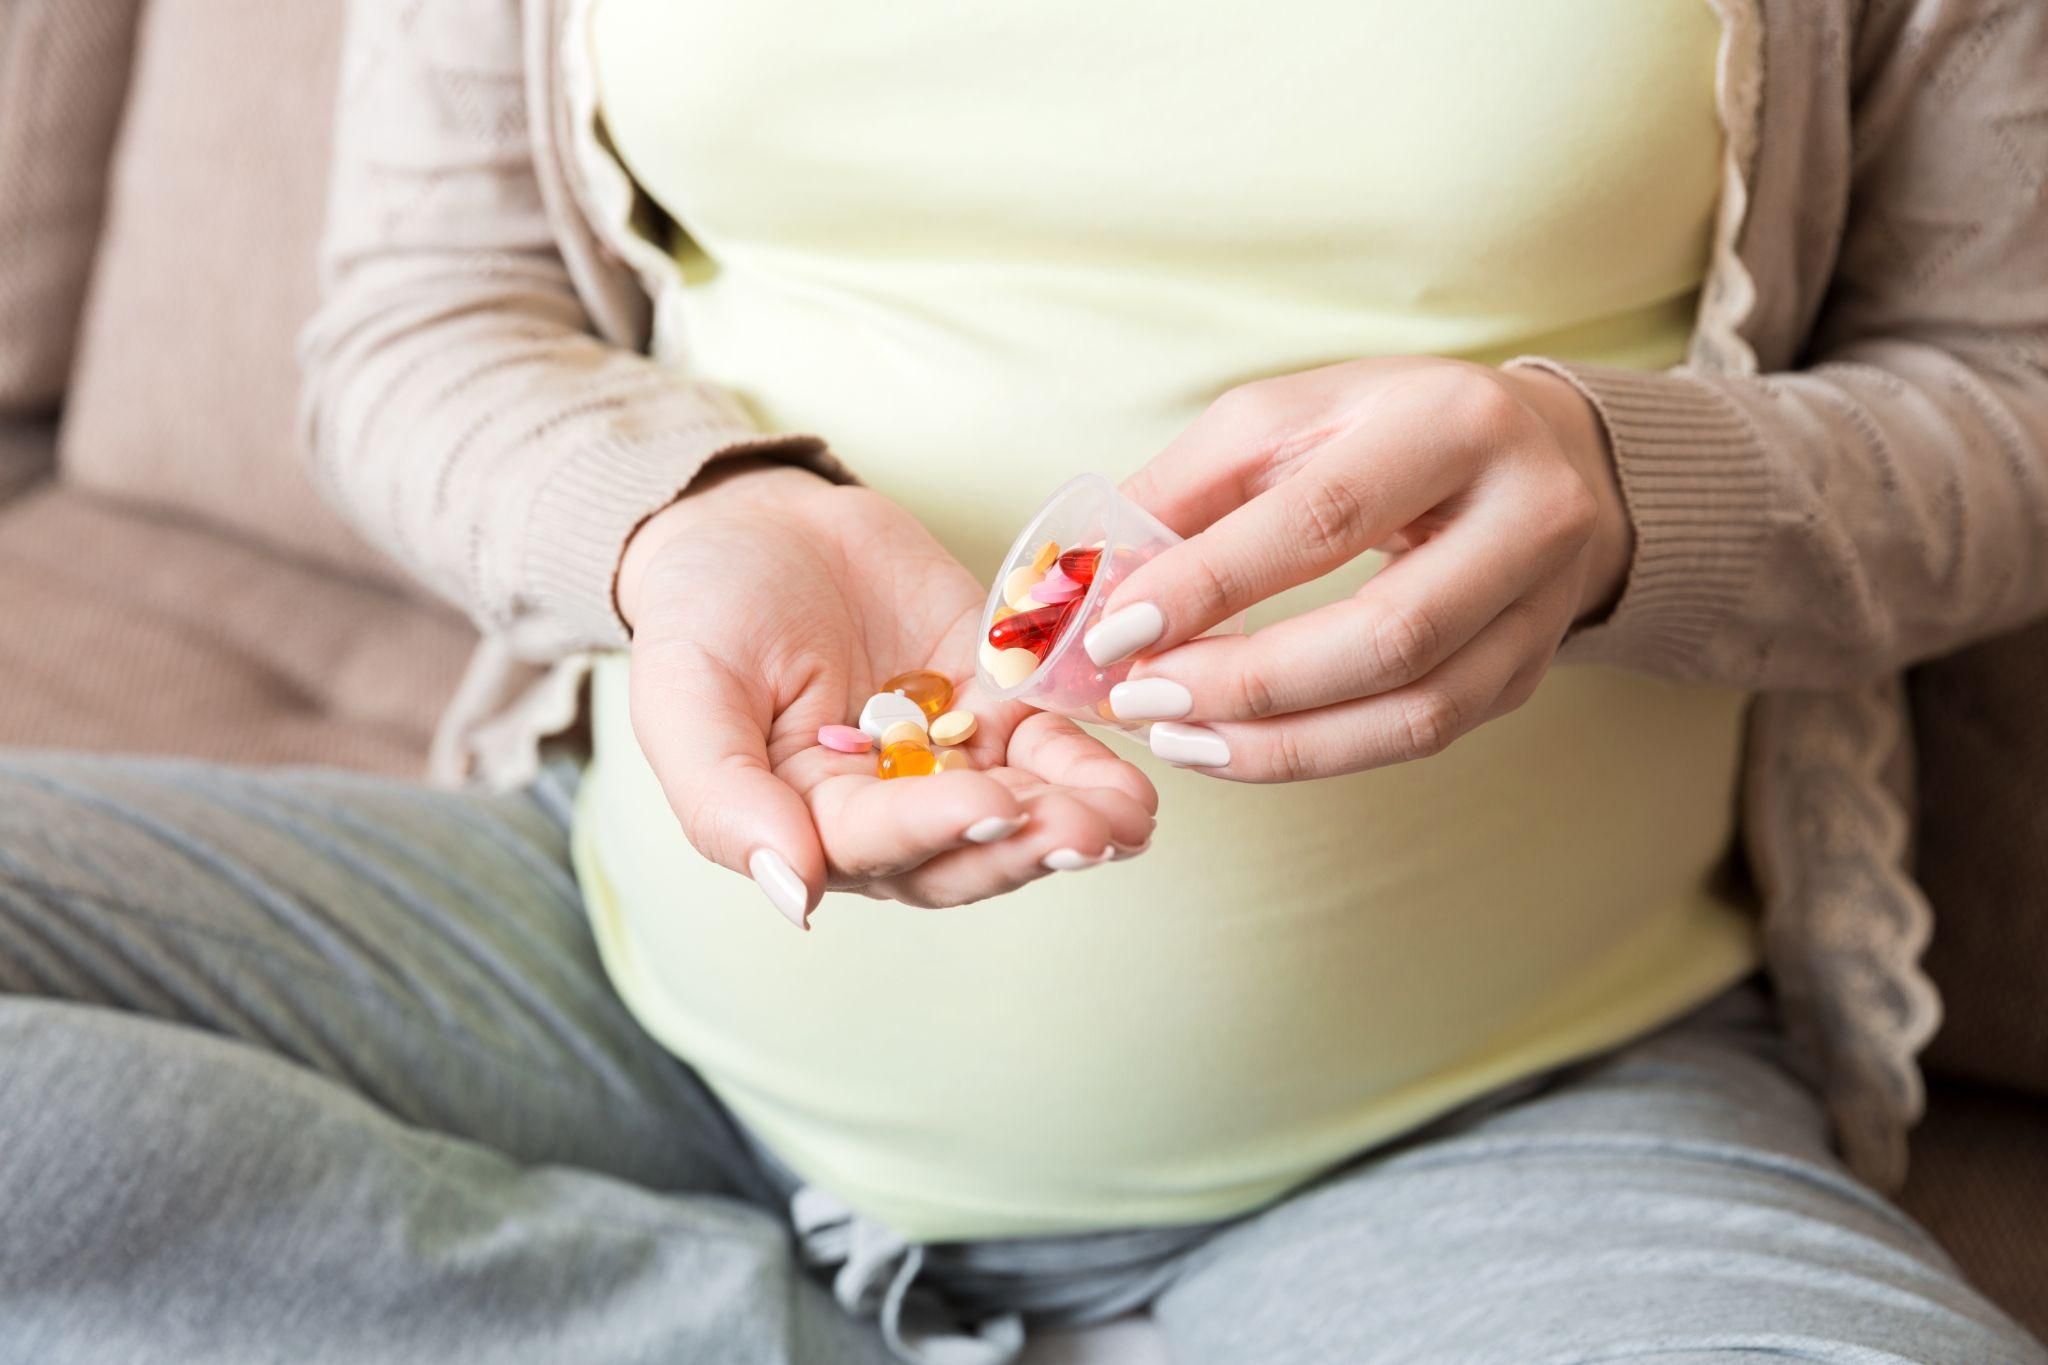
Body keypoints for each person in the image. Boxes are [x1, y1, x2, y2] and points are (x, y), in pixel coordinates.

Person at [3, 1, 2045, 1361]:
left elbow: (2011, 389)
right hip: (612, 975)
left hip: (1510, 1117)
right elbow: (418, 315)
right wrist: (678, 522)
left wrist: (1625, 491)